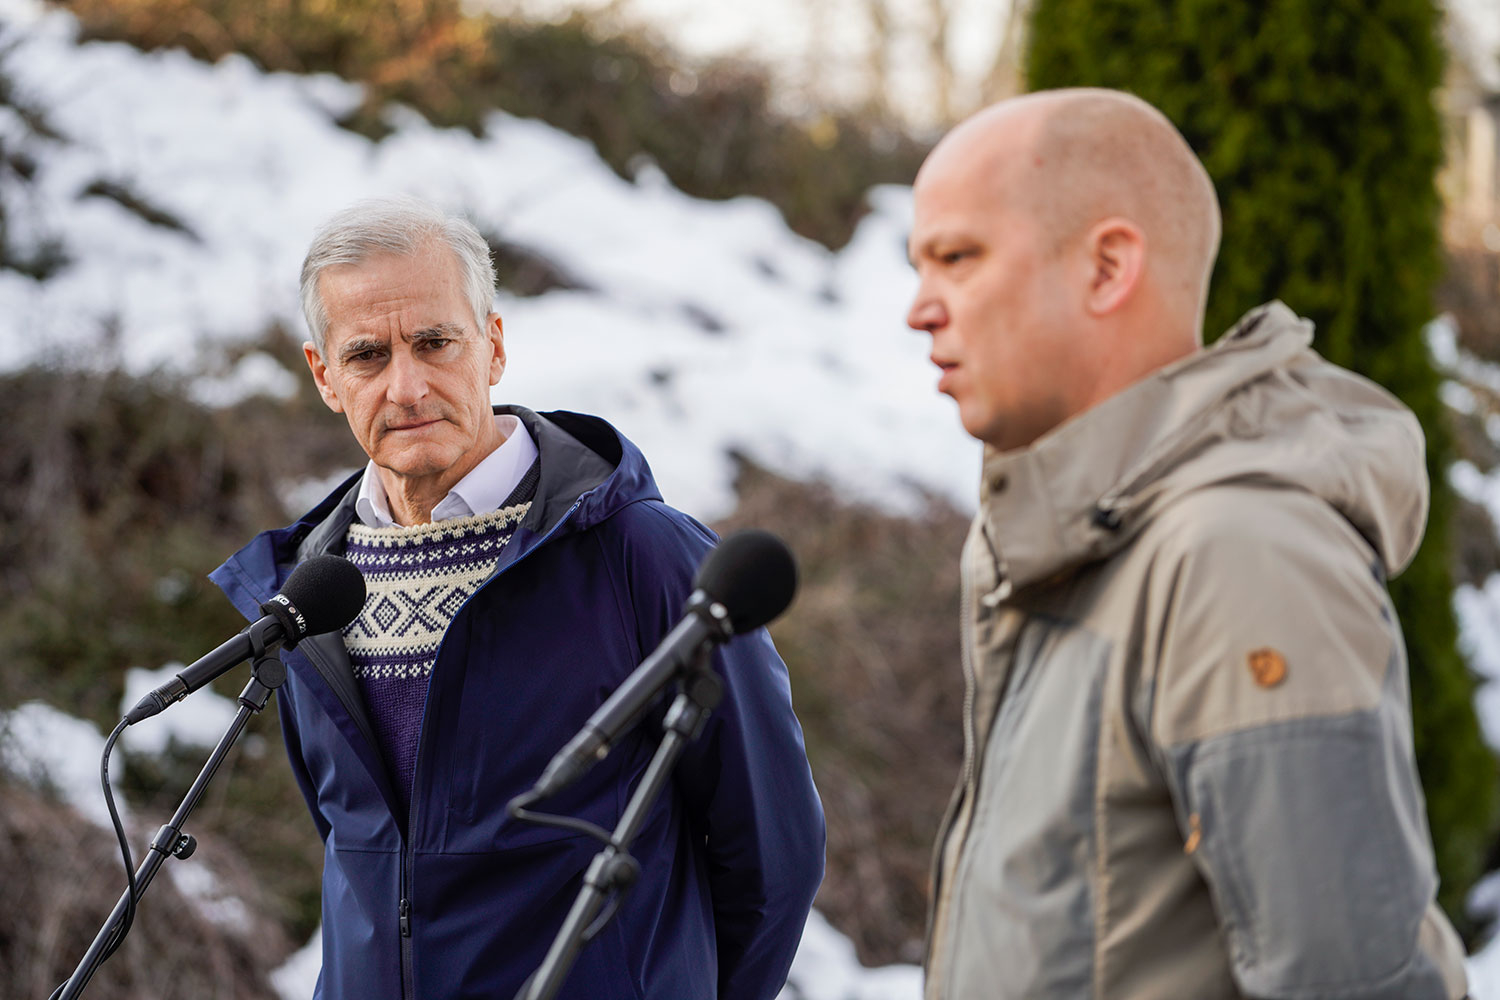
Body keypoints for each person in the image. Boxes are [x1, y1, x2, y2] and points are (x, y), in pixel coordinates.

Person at [905, 88, 1469, 999]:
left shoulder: (1237, 554)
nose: (920, 309)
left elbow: (1352, 983)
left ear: (1107, 268)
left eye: (958, 258)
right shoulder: (1067, 539)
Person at [210, 197, 825, 999]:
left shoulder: (642, 554)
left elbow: (774, 852)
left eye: (435, 342)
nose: (406, 386)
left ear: (493, 346)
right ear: (325, 376)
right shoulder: (309, 591)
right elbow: (358, 849)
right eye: (367, 355)